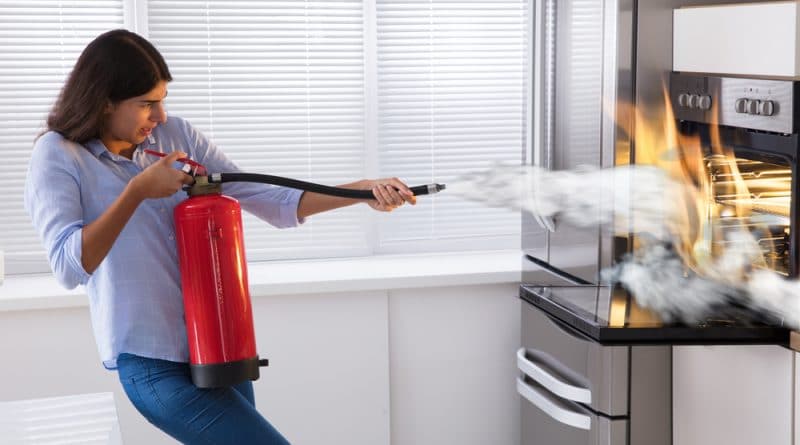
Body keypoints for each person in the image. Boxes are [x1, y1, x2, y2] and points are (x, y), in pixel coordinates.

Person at [24, 29, 416, 445]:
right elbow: (69, 267)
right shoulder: (57, 155)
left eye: (162, 99)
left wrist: (359, 193)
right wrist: (137, 191)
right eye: (147, 104)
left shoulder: (176, 136)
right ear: (104, 101)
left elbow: (268, 198)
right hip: (151, 361)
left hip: (219, 346)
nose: (159, 116)